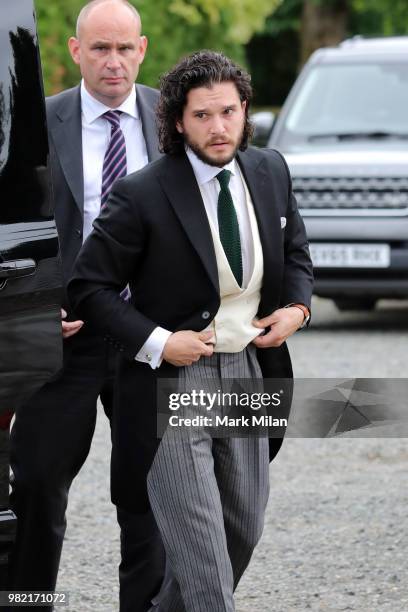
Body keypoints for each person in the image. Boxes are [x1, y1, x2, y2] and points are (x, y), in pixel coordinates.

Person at [68, 50, 314, 611]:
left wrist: (298, 309)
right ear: (177, 121)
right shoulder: (141, 193)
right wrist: (159, 342)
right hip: (177, 385)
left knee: (242, 533)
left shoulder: (270, 170)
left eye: (228, 111)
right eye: (202, 115)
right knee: (204, 560)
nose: (218, 126)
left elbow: (296, 253)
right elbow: (89, 288)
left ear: (245, 109)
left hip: (251, 372)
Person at [8, 1, 164, 610]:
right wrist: (34, 302)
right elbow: (13, 226)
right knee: (38, 490)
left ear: (143, 50)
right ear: (76, 52)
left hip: (146, 338)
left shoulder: (171, 118)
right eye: (100, 48)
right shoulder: (36, 125)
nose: (114, 62)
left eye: (125, 48)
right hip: (61, 337)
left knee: (148, 492)